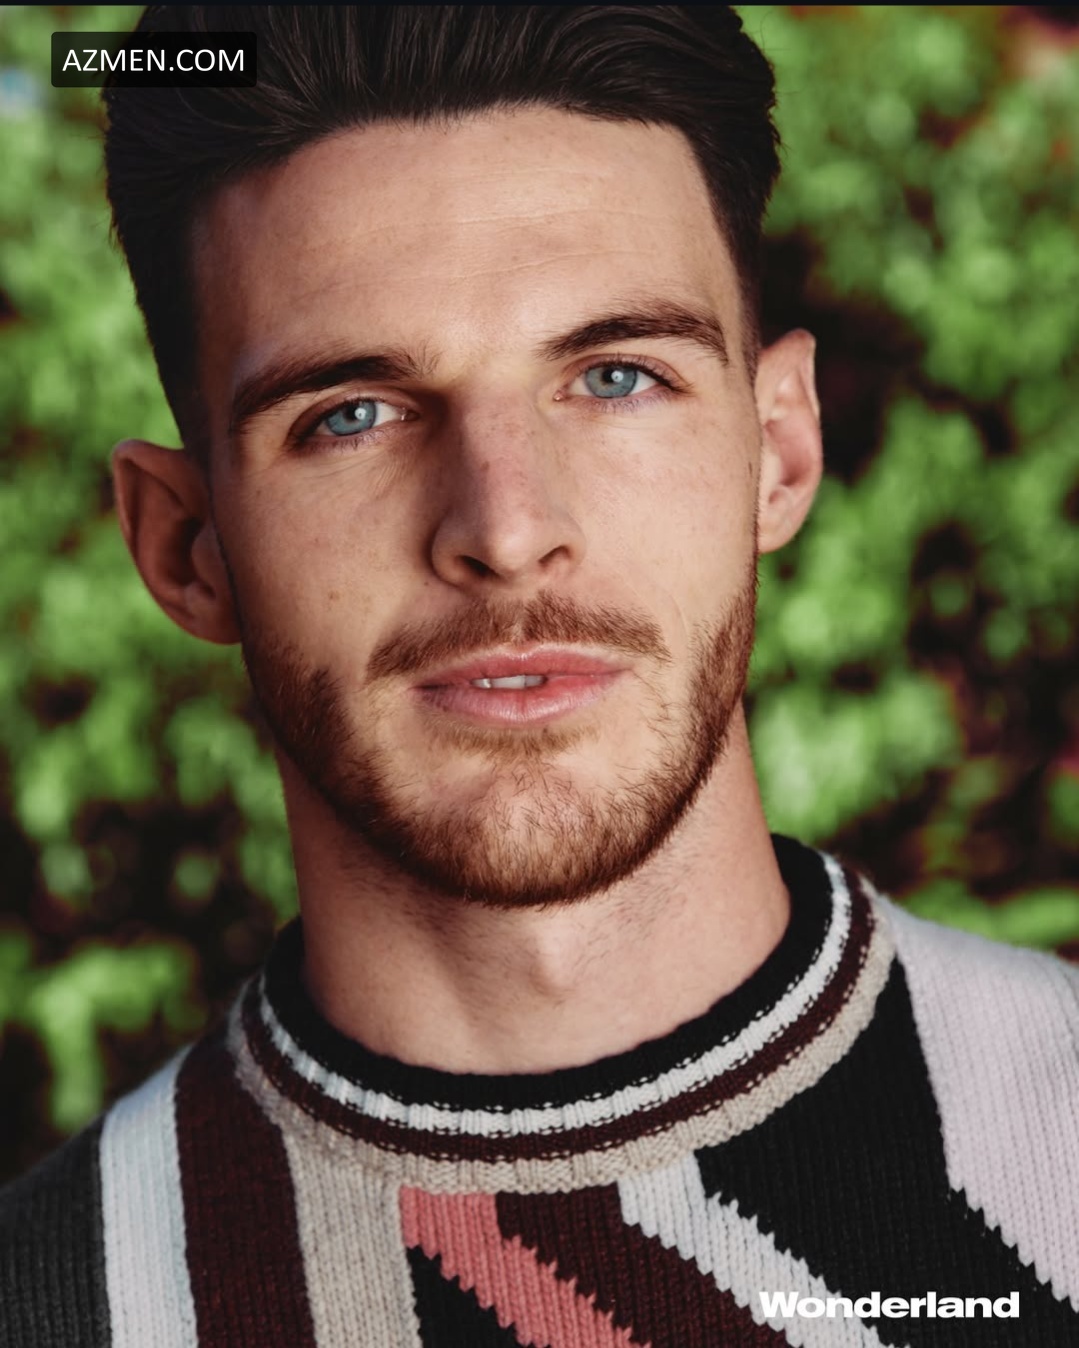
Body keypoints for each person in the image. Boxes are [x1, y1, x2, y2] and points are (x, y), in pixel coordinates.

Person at [2, 5, 1077, 1345]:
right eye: (352, 415)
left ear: (780, 452)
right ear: (184, 544)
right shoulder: (58, 1305)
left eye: (617, 377)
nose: (507, 531)